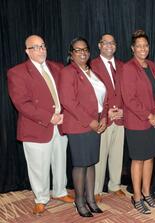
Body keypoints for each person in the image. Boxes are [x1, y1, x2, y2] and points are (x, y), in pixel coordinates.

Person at [7, 35, 74, 215]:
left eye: (43, 46)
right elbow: (22, 103)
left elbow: (67, 94)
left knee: (60, 161)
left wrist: (64, 115)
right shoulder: (17, 72)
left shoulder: (57, 67)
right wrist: (49, 117)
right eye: (36, 47)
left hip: (60, 125)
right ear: (27, 51)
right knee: (39, 167)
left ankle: (60, 191)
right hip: (36, 127)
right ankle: (41, 198)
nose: (41, 49)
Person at [59, 37, 107, 217]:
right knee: (80, 164)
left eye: (85, 49)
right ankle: (79, 202)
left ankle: (91, 200)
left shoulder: (92, 72)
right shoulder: (68, 72)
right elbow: (69, 102)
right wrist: (91, 122)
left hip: (95, 125)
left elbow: (103, 99)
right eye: (78, 50)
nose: (83, 52)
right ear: (71, 53)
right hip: (79, 126)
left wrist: (103, 119)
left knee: (91, 162)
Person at [120, 30, 155, 214]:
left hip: (153, 121)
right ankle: (136, 196)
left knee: (150, 157)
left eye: (145, 45)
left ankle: (147, 193)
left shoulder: (152, 65)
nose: (142, 49)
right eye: (139, 46)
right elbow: (129, 99)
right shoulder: (128, 68)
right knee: (138, 159)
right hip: (137, 122)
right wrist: (149, 116)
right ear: (132, 48)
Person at [91, 34, 125, 201]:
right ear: (99, 45)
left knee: (117, 154)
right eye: (105, 43)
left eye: (112, 43)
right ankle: (97, 189)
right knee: (100, 155)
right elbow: (91, 95)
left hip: (120, 117)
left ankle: (114, 185)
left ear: (115, 46)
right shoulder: (92, 66)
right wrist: (104, 114)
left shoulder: (122, 65)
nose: (109, 46)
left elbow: (127, 91)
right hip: (103, 118)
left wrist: (124, 110)